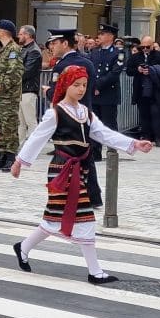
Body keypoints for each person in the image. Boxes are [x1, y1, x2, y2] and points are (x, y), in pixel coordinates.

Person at [10, 66, 154, 284]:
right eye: (76, 85)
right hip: (61, 170)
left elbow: (104, 134)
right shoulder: (55, 112)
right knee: (73, 217)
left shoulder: (85, 113)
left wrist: (133, 143)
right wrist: (20, 161)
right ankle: (94, 271)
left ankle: (25, 247)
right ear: (66, 85)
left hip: (80, 170)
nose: (80, 89)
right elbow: (37, 138)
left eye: (84, 85)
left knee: (61, 217)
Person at [44, 28, 103, 206]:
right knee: (86, 156)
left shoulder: (62, 66)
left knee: (67, 158)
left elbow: (58, 94)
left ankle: (68, 193)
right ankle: (92, 195)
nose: (51, 47)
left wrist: (48, 92)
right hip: (85, 115)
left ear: (65, 43)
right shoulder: (88, 62)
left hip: (67, 118)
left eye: (54, 43)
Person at [0, 19, 23, 172]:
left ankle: (11, 157)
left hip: (9, 96)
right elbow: (0, 72)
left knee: (9, 126)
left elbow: (14, 73)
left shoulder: (14, 49)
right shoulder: (4, 49)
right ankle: (1, 155)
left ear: (3, 31)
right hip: (0, 96)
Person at [125, 35, 160, 148]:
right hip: (141, 89)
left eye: (147, 47)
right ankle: (146, 137)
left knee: (156, 113)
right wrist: (138, 70)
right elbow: (128, 71)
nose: (145, 49)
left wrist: (151, 70)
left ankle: (158, 137)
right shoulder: (136, 56)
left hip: (156, 89)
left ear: (152, 46)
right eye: (143, 47)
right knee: (144, 114)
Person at [89, 23, 125, 161]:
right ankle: (95, 152)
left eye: (103, 34)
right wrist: (93, 86)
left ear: (111, 36)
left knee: (109, 123)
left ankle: (111, 150)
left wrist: (98, 86)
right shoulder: (95, 52)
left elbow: (114, 73)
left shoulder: (118, 53)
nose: (100, 36)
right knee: (94, 123)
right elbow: (91, 70)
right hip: (95, 94)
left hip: (108, 94)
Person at [17, 25, 42, 145]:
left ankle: (33, 147)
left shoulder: (34, 51)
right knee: (20, 122)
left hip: (28, 90)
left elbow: (27, 71)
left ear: (28, 35)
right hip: (21, 90)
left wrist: (13, 77)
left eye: (21, 34)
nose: (19, 36)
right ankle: (19, 147)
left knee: (30, 121)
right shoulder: (24, 49)